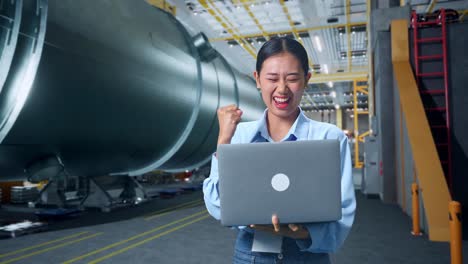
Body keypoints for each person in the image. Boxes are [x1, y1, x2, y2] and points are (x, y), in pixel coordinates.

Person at [203, 37, 356, 264]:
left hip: (308, 256)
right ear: (257, 79)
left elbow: (342, 215)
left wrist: (301, 233)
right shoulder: (239, 136)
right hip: (251, 256)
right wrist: (224, 139)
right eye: (272, 78)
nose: (282, 89)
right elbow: (217, 205)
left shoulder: (329, 138)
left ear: (306, 79)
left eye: (292, 79)